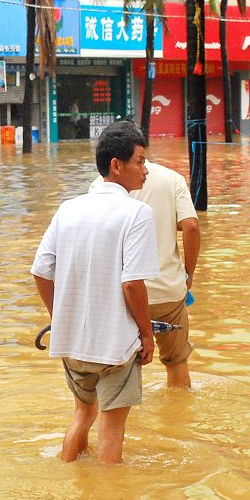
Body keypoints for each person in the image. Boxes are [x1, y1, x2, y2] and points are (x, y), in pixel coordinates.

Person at [31, 122, 160, 465]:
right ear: (117, 165)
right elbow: (132, 283)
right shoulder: (137, 213)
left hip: (72, 343)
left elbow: (40, 271)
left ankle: (69, 475)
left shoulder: (68, 208)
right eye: (140, 162)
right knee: (112, 434)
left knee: (82, 415)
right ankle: (108, 496)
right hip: (116, 346)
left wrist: (59, 319)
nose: (145, 171)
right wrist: (147, 334)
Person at [92, 150, 200, 388]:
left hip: (124, 296)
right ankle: (179, 411)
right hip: (169, 293)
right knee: (177, 362)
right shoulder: (172, 179)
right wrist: (188, 274)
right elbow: (191, 226)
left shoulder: (100, 185)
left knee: (122, 368)